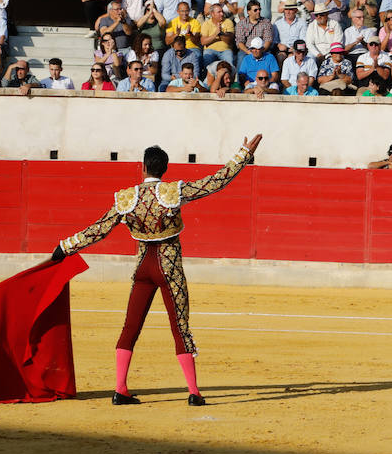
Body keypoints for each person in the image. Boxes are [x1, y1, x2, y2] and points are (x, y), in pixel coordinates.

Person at [51, 136, 263, 406]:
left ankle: (120, 389)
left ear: (143, 168)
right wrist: (243, 155)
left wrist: (65, 247)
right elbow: (216, 182)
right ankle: (194, 392)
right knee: (180, 328)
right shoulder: (174, 192)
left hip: (142, 268)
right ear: (164, 169)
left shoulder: (127, 198)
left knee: (130, 327)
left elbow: (98, 229)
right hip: (169, 265)